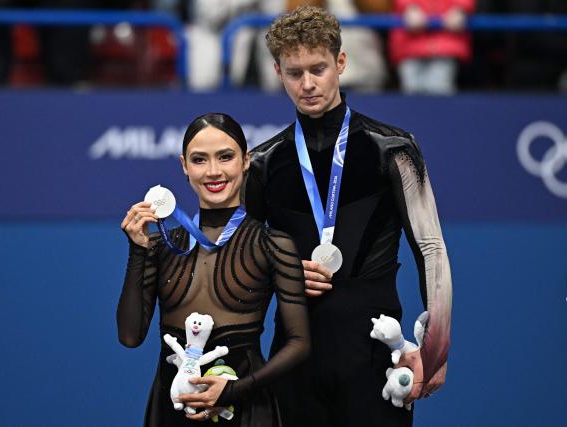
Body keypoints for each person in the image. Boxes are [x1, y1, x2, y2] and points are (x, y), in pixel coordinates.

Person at [243, 6, 452, 426]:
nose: (307, 84)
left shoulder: (393, 149)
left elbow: (430, 248)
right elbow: (240, 264)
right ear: (277, 72)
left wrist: (436, 349)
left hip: (376, 359)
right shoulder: (264, 163)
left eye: (317, 68)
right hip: (293, 361)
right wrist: (282, 273)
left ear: (340, 62)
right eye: (294, 72)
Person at [117, 112, 310, 426]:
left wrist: (235, 390)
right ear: (184, 166)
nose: (213, 171)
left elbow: (299, 343)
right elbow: (129, 335)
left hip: (247, 408)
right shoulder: (159, 246)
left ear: (246, 161)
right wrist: (137, 251)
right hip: (173, 411)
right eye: (199, 160)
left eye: (225, 157)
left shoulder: (272, 244)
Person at [389, 0, 476, 95]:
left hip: (445, 45)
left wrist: (460, 8)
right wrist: (409, 7)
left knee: (439, 92)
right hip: (410, 43)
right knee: (412, 95)